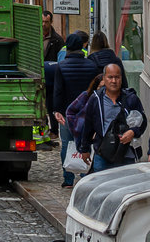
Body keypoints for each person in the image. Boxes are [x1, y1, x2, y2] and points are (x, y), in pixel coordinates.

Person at [75, 61, 147, 172]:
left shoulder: (131, 99)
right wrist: (85, 149)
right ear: (104, 78)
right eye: (110, 77)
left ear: (121, 79)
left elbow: (143, 121)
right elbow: (88, 125)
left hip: (126, 154)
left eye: (117, 77)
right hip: (103, 153)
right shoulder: (96, 99)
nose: (114, 81)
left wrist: (133, 132)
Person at [53, 33, 102, 188]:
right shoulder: (92, 66)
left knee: (67, 143)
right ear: (82, 47)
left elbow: (58, 91)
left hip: (68, 111)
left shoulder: (61, 66)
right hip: (87, 111)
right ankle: (85, 175)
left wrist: (57, 110)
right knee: (85, 141)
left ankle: (68, 179)